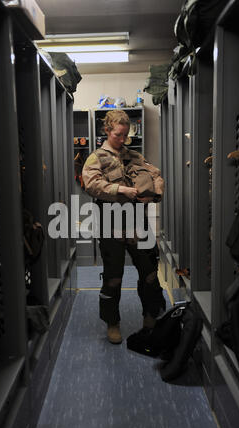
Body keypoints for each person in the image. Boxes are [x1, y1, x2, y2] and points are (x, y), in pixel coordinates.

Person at [82, 109, 166, 344]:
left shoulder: (135, 156)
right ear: (107, 130)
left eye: (126, 135)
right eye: (118, 134)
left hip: (138, 223)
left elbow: (156, 176)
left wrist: (153, 194)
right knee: (113, 276)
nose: (122, 139)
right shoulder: (96, 157)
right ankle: (112, 322)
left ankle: (151, 316)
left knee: (149, 272)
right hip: (111, 223)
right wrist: (120, 190)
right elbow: (90, 184)